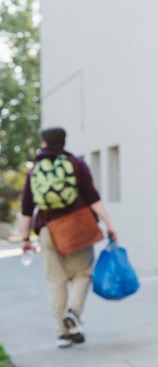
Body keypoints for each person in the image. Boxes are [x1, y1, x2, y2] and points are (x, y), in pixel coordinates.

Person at [19, 127, 118, 349]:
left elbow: (26, 209)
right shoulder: (76, 164)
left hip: (47, 230)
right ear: (63, 142)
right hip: (78, 227)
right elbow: (94, 198)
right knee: (82, 273)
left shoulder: (34, 169)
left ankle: (63, 333)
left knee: (56, 280)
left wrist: (25, 238)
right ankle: (73, 312)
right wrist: (110, 225)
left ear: (44, 142)